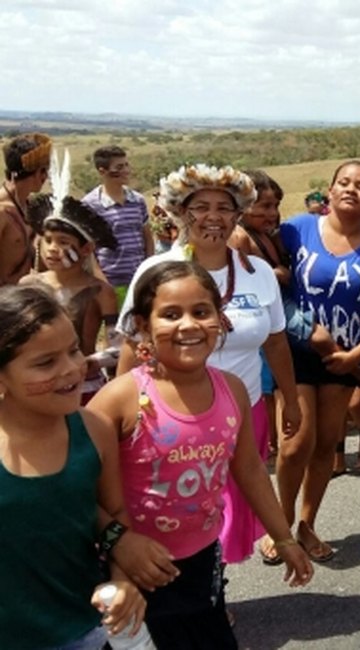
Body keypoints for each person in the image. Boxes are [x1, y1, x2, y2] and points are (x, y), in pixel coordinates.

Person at [91, 260, 313, 648]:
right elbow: (75, 490)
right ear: (143, 324)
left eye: (201, 311)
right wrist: (119, 544)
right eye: (170, 314)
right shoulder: (120, 400)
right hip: (135, 570)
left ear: (220, 319)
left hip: (204, 563)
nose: (188, 325)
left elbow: (249, 469)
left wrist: (284, 538)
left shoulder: (232, 390)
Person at [114, 163, 302, 567]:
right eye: (201, 207)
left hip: (243, 408)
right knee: (180, 505)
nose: (213, 217)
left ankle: (214, 588)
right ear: (181, 212)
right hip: (168, 416)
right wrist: (122, 413)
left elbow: (275, 340)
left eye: (225, 207)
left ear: (238, 216)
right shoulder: (154, 271)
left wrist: (291, 397)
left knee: (231, 503)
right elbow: (132, 345)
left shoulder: (259, 273)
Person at [0, 285, 146, 650]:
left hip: (85, 630)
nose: (71, 369)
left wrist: (123, 576)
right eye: (45, 362)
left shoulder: (94, 429)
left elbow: (113, 514)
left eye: (74, 350)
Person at [276, 160, 360, 562]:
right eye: (344, 183)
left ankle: (307, 524)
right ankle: (280, 527)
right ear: (329, 191)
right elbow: (268, 277)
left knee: (325, 447)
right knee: (296, 444)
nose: (352, 189)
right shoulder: (296, 229)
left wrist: (356, 357)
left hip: (342, 361)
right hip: (295, 353)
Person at [23, 187, 119, 403]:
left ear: (86, 249)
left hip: (85, 388)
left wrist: (90, 363)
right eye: (47, 240)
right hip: (39, 387)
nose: (52, 249)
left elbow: (117, 349)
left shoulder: (101, 292)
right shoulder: (28, 286)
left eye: (63, 241)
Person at [228, 169, 292, 459]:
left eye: (276, 206)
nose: (273, 213)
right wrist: (278, 273)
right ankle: (269, 444)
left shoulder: (266, 236)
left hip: (272, 319)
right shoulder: (240, 238)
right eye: (265, 206)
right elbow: (244, 279)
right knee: (264, 389)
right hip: (257, 325)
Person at [82, 146, 153, 305]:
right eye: (119, 167)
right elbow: (88, 249)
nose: (126, 170)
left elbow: (147, 237)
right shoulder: (90, 205)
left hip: (139, 278)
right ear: (102, 171)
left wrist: (148, 270)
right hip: (110, 281)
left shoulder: (138, 200)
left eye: (126, 165)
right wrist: (101, 280)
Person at [0, 133, 51, 285]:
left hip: (21, 299)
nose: (46, 177)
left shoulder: (32, 208)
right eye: (44, 170)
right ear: (38, 172)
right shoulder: (2, 212)